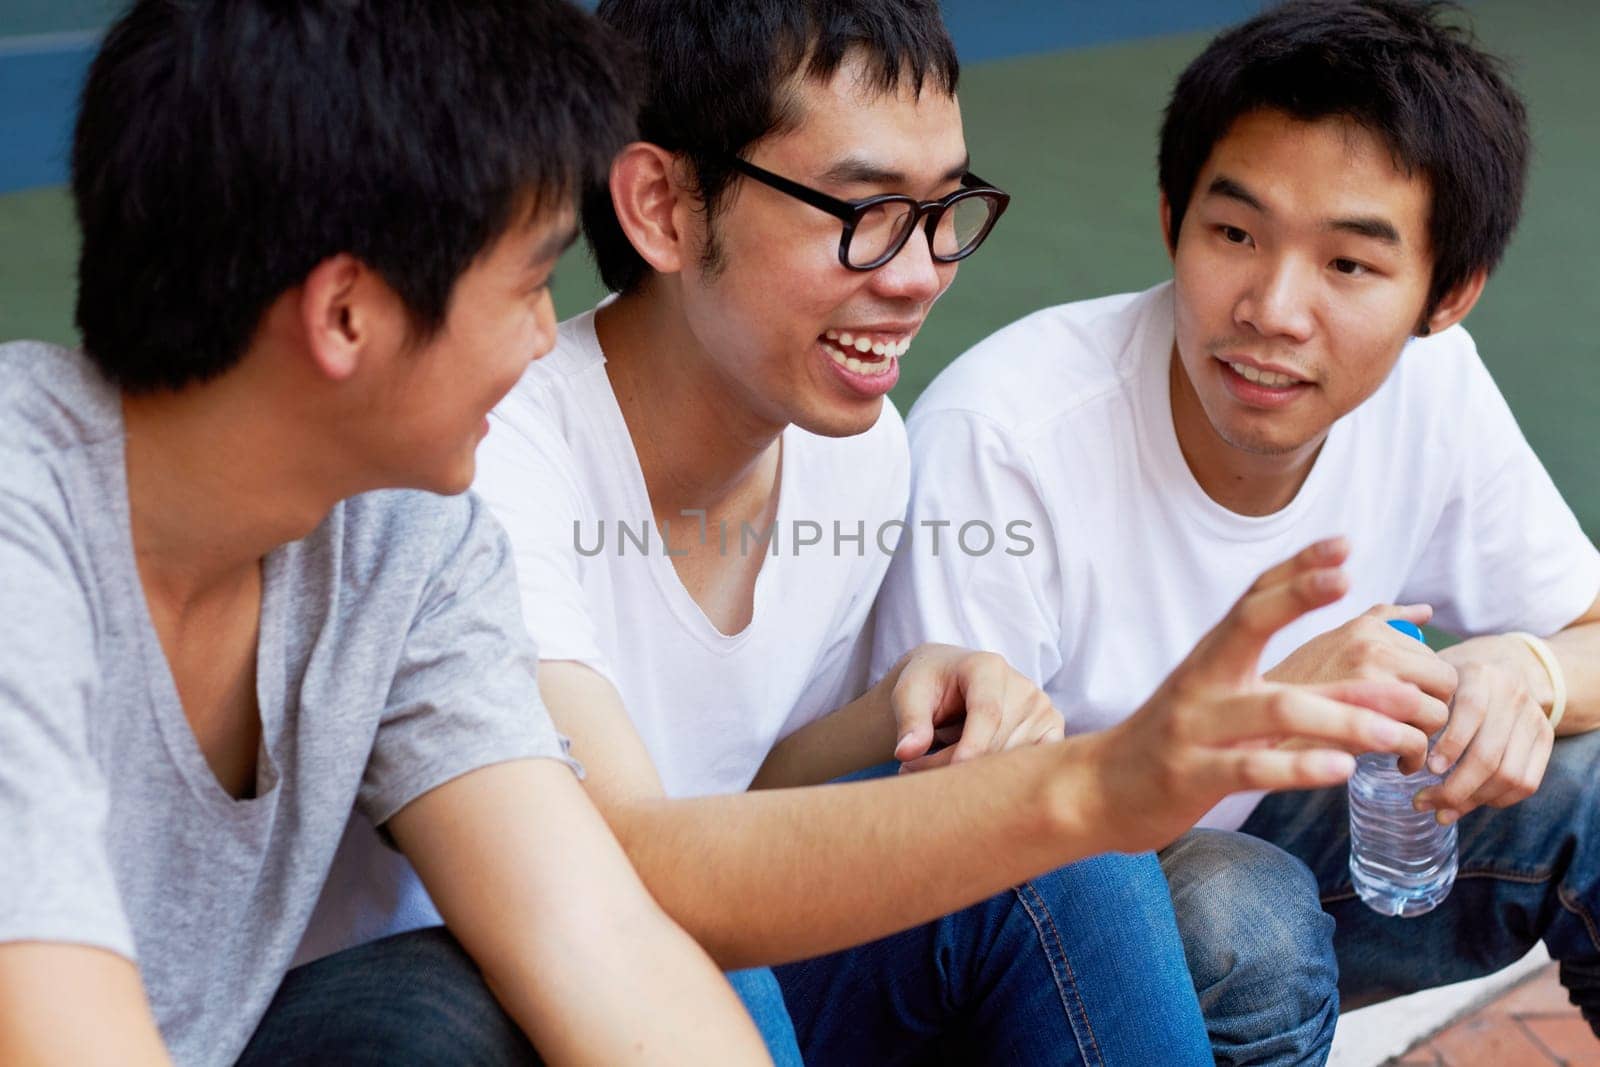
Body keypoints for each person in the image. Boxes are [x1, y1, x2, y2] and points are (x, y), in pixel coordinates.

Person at [305, 2, 1441, 1064]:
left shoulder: (859, 447)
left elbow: (753, 791)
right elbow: (609, 870)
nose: (919, 272)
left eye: (943, 210)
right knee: (760, 942)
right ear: (660, 206)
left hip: (684, 948)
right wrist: (1091, 781)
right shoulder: (492, 457)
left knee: (1067, 866)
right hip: (460, 1000)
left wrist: (908, 693)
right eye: (863, 214)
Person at [0, 1, 773, 1063]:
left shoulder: (402, 534)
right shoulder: (19, 525)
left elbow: (597, 941)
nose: (548, 335)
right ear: (346, 315)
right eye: (532, 282)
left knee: (479, 992)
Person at [874, 1, 1600, 1062]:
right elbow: (944, 859)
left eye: (1349, 265)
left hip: (1296, 841)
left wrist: (1528, 671)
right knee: (1235, 909)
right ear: (1172, 216)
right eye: (1234, 234)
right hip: (1057, 926)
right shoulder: (1005, 437)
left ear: (1445, 294)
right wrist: (1262, 715)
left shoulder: (1433, 384)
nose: (1271, 306)